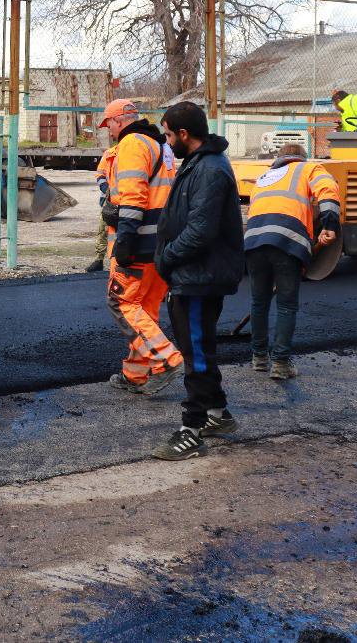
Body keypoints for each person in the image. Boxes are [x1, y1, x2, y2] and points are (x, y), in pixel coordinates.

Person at [151, 101, 245, 461]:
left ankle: (191, 430)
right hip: (194, 274)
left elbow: (200, 231)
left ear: (185, 134)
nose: (166, 139)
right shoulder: (200, 163)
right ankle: (217, 415)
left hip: (198, 277)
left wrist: (166, 257)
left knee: (195, 354)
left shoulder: (209, 169)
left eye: (169, 133)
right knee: (200, 347)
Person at [98, 99, 183, 395]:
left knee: (121, 303)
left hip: (139, 243)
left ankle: (166, 361)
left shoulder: (133, 144)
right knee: (144, 308)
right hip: (162, 243)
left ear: (119, 120)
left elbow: (134, 196)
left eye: (108, 123)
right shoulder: (162, 146)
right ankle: (136, 374)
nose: (107, 129)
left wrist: (125, 240)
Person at [245, 143, 340, 380]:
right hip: (286, 239)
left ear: (280, 159)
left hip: (253, 240)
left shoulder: (265, 176)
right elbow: (329, 189)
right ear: (301, 158)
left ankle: (258, 358)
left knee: (259, 302)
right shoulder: (308, 169)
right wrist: (329, 224)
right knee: (286, 305)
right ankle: (280, 363)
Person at [85, 142, 117, 273]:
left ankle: (116, 260)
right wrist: (106, 188)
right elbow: (100, 174)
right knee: (103, 229)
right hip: (109, 201)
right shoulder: (110, 153)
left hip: (127, 199)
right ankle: (99, 259)